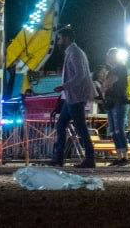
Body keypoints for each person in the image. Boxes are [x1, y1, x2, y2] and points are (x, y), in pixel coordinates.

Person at [49, 25, 95, 168]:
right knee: (62, 125)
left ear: (67, 38)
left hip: (75, 97)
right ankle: (59, 158)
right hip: (71, 97)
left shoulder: (75, 53)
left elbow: (80, 75)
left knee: (80, 128)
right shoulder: (73, 52)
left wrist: (64, 86)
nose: (58, 42)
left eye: (60, 39)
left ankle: (89, 158)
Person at [103, 50, 129, 166]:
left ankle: (125, 157)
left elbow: (107, 83)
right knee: (113, 130)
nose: (107, 58)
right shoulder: (111, 71)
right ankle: (119, 156)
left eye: (109, 56)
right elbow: (106, 85)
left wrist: (106, 83)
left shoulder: (121, 68)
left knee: (119, 128)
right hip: (111, 102)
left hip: (119, 101)